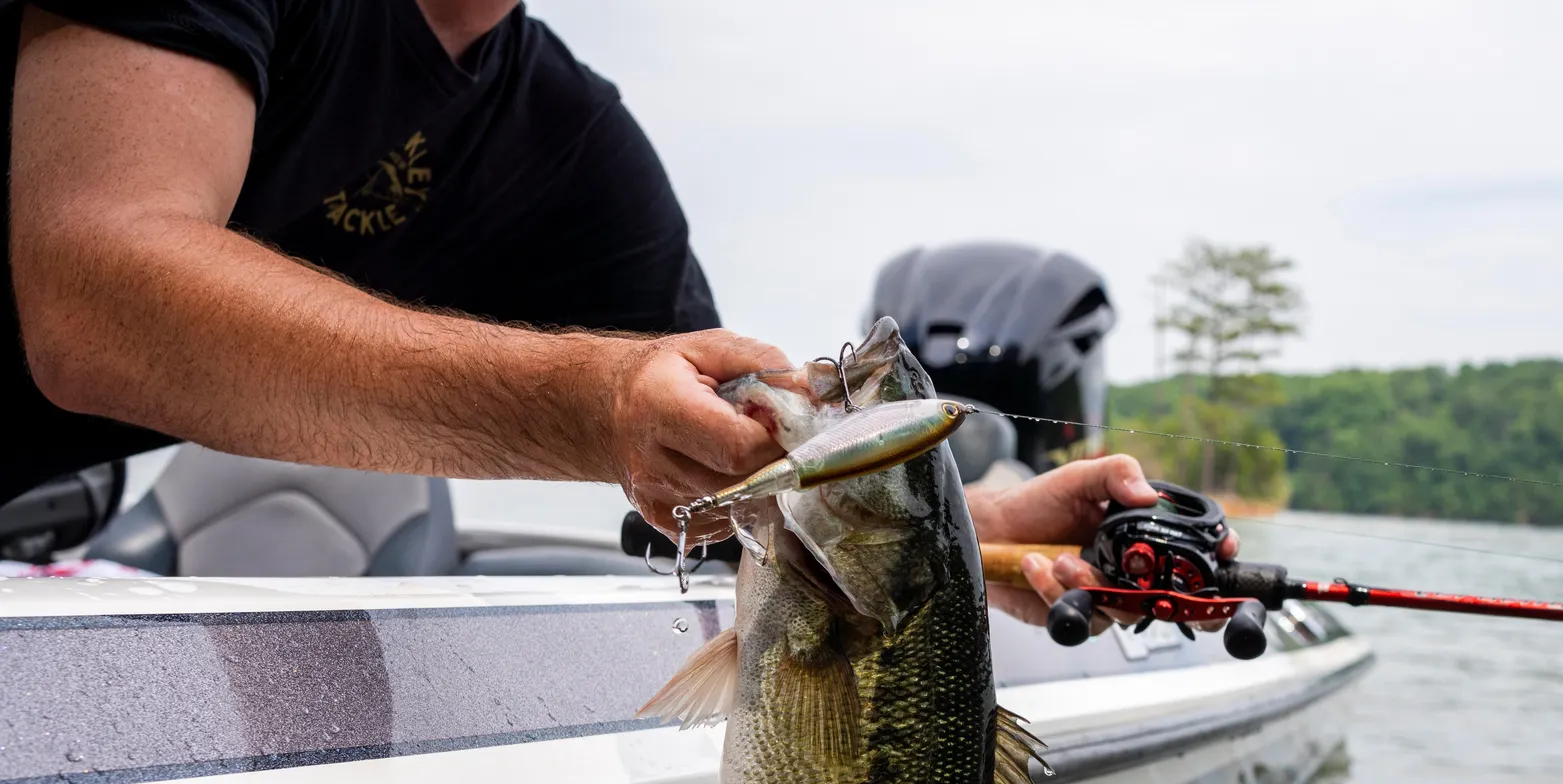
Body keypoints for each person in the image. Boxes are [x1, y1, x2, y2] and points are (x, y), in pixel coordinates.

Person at [5, 0, 1210, 617]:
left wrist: (966, 529)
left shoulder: (573, 143)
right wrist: (588, 406)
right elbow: (94, 297)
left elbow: (736, 457)